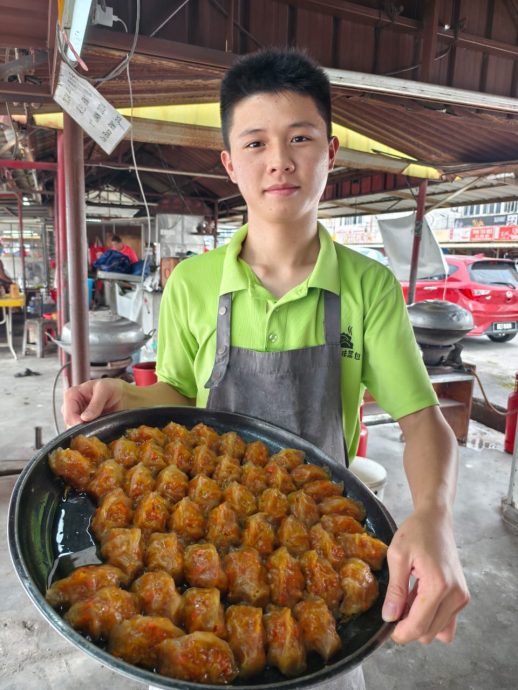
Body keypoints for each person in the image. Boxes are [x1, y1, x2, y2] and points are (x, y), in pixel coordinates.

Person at [63, 48, 469, 689]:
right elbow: (176, 393)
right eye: (255, 142)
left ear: (330, 152)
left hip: (315, 539)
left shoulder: (368, 288)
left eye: (300, 137)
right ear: (230, 163)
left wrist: (435, 516)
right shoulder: (192, 284)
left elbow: (423, 421)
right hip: (200, 533)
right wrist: (122, 396)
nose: (279, 159)